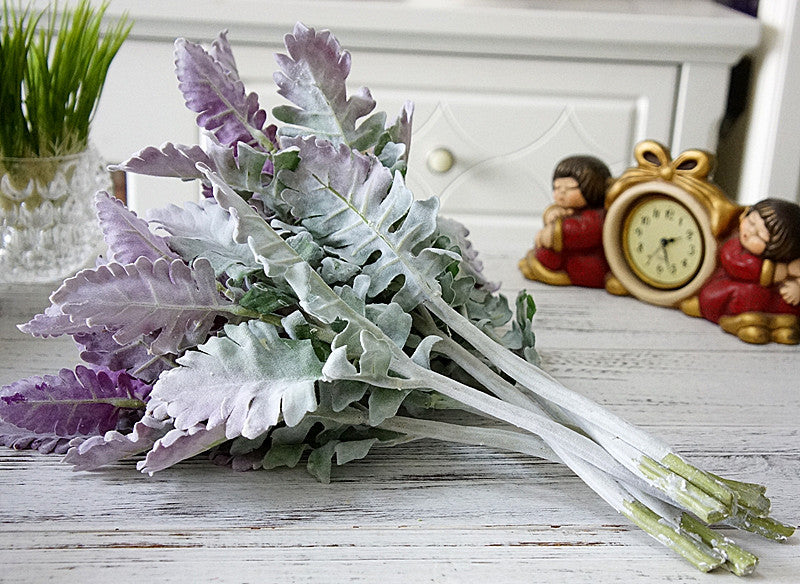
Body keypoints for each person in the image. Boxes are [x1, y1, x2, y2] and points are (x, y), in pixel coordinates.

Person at [680, 198, 800, 344]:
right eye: (751, 222)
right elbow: (738, 265)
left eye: (760, 236)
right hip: (732, 294)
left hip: (769, 304)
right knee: (729, 293)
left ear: (778, 250)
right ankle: (736, 321)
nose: (750, 232)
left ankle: (778, 325)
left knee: (788, 304)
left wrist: (797, 288)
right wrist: (782, 270)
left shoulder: (792, 261)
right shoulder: (734, 246)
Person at [519, 155, 611, 288]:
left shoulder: (598, 216)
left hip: (587, 262)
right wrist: (551, 214)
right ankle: (536, 264)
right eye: (557, 188)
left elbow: (581, 231)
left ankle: (540, 267)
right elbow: (555, 215)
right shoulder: (569, 209)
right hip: (568, 255)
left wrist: (554, 232)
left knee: (552, 256)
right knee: (545, 253)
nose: (561, 193)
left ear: (592, 189)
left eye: (569, 188)